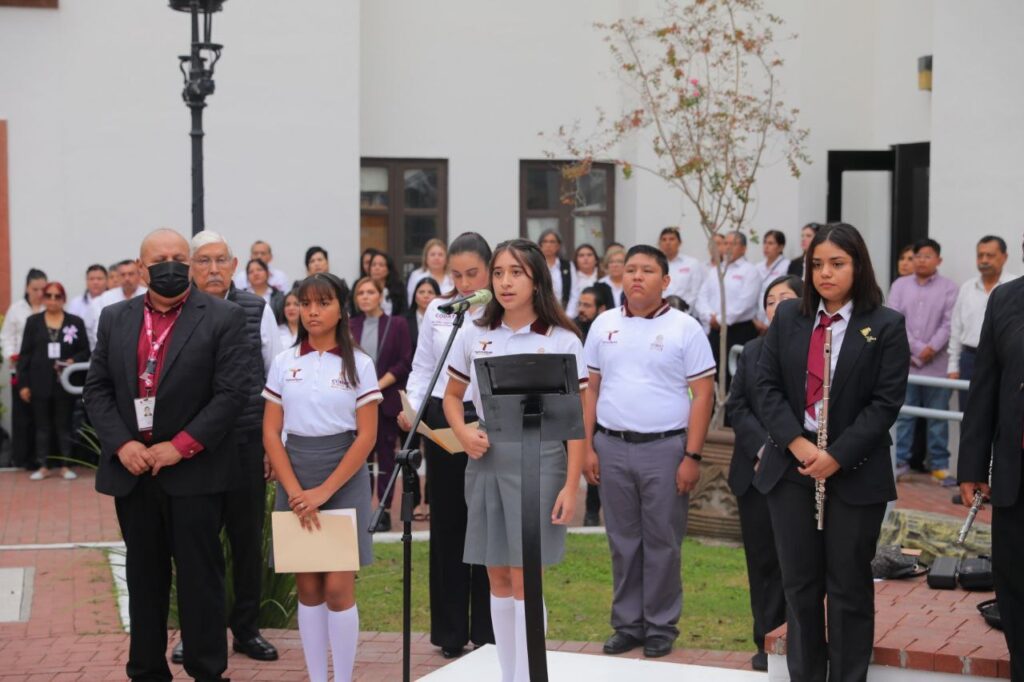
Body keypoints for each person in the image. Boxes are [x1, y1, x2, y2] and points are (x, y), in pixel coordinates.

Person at [84, 228, 250, 682]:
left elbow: (232, 395)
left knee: (201, 580)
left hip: (195, 473)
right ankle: (146, 670)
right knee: (144, 579)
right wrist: (124, 444)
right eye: (161, 259)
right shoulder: (114, 318)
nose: (172, 265)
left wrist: (179, 447)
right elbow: (96, 389)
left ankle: (207, 670)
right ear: (141, 268)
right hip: (134, 473)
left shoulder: (224, 317)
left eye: (181, 256)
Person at [754, 222, 909, 682]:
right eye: (817, 264)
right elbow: (765, 388)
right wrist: (799, 445)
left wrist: (836, 456)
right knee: (800, 587)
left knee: (848, 588)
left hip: (855, 472)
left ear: (857, 266)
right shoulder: (788, 318)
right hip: (792, 468)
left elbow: (885, 404)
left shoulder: (885, 326)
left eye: (837, 264)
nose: (825, 273)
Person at [444, 238, 586, 682]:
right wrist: (465, 432)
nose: (505, 282)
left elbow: (578, 420)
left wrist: (571, 484)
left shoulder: (562, 339)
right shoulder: (474, 333)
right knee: (498, 576)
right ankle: (510, 675)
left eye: (516, 273)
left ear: (537, 279)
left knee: (528, 577)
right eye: (499, 272)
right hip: (486, 460)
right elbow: (451, 397)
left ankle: (531, 675)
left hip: (540, 460)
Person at [583, 244, 715, 660]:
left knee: (662, 541)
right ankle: (627, 624)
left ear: (666, 281)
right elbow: (592, 390)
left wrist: (691, 456)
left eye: (647, 271)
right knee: (622, 541)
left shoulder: (684, 328)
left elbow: (703, 395)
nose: (636, 276)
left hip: (665, 449)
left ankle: (660, 625)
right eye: (630, 269)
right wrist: (587, 447)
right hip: (611, 446)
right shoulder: (603, 324)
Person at [263, 272, 381, 682]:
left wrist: (324, 491)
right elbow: (270, 432)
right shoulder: (284, 362)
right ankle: (317, 677)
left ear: (340, 309)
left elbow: (367, 436)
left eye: (324, 302)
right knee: (309, 588)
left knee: (337, 588)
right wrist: (295, 490)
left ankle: (343, 677)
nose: (313, 311)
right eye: (306, 303)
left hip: (343, 475)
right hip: (295, 471)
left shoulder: (360, 365)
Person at [173, 230, 283, 665]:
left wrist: (271, 447)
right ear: (190, 267)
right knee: (194, 544)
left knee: (245, 541)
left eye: (221, 261)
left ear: (235, 266)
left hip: (243, 444)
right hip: (191, 448)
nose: (214, 269)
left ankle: (247, 630)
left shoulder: (256, 309)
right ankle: (197, 633)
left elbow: (275, 381)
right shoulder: (176, 310)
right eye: (204, 261)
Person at [402, 232, 495, 659]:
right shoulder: (439, 310)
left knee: (489, 524)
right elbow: (423, 367)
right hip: (443, 420)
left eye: (472, 273)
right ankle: (451, 631)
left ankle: (490, 629)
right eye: (455, 274)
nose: (463, 282)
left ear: (490, 269)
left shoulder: (502, 310)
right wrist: (416, 409)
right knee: (449, 525)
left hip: (490, 421)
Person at [724, 274, 802, 671]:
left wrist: (785, 450)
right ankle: (765, 640)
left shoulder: (813, 350)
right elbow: (736, 407)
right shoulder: (751, 351)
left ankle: (798, 640)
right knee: (762, 563)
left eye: (785, 298)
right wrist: (763, 449)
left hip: (800, 472)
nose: (776, 306)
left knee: (797, 563)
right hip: (754, 473)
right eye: (770, 300)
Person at [957, 241, 1024, 682]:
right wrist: (972, 467)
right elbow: (983, 391)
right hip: (1017, 473)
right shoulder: (1005, 299)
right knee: (1015, 582)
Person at [888, 238, 959, 484]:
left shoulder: (949, 288)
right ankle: (900, 462)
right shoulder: (899, 285)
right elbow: (894, 319)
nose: (921, 260)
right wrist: (918, 349)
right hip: (906, 364)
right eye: (917, 255)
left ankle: (939, 465)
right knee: (904, 415)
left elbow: (949, 323)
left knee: (938, 417)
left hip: (937, 365)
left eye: (927, 256)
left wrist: (931, 348)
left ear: (938, 260)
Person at [350, 276, 412, 532]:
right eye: (360, 293)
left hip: (384, 401)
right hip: (356, 403)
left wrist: (377, 385)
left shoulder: (396, 324)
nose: (365, 296)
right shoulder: (350, 326)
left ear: (380, 295)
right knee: (360, 458)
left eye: (369, 292)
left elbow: (404, 361)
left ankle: (384, 510)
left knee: (386, 457)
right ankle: (361, 507)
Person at [18, 282, 90, 480]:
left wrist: (72, 361)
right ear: (43, 298)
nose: (52, 300)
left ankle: (65, 465)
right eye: (48, 296)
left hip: (64, 383)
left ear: (63, 299)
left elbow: (86, 351)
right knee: (42, 426)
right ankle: (43, 465)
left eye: (57, 296)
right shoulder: (33, 322)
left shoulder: (75, 322)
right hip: (38, 382)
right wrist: (23, 384)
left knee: (64, 424)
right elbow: (25, 355)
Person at [948, 236, 1015, 409]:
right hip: (970, 359)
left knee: (1003, 412)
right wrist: (953, 365)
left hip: (1005, 359)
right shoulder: (967, 288)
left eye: (990, 255)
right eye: (980, 255)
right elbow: (956, 328)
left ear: (1004, 257)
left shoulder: (1015, 288)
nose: (984, 260)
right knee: (969, 412)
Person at [694, 231, 761, 382]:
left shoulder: (750, 271)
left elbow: (746, 301)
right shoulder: (715, 270)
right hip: (714, 330)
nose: (728, 247)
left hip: (738, 330)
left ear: (744, 248)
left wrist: (720, 319)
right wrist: (708, 316)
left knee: (736, 375)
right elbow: (701, 297)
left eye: (733, 244)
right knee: (712, 372)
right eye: (726, 243)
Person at [2, 268, 47, 469]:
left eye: (42, 289)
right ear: (27, 288)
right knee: (23, 416)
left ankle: (44, 458)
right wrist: (11, 355)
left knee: (44, 416)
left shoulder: (50, 306)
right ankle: (23, 458)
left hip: (45, 371)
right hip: (22, 369)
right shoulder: (17, 309)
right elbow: (6, 337)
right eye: (35, 289)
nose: (39, 293)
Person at [574, 286, 607, 528]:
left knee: (595, 459)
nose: (581, 311)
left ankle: (592, 512)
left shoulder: (605, 334)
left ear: (601, 309)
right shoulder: (571, 330)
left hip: (597, 405)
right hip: (571, 403)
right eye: (580, 305)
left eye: (587, 306)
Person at [659, 226, 704, 312]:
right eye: (664, 240)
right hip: (660, 312)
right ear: (660, 244)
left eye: (671, 239)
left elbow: (696, 291)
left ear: (679, 243)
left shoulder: (692, 263)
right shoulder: (656, 265)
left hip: (684, 311)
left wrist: (685, 311)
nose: (667, 243)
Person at [754, 230, 791, 332]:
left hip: (774, 321)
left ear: (781, 247)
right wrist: (754, 320)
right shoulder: (757, 267)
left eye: (770, 243)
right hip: (756, 321)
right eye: (765, 242)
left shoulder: (787, 266)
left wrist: (768, 322)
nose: (766, 246)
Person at [66, 264, 108, 349]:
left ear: (106, 280)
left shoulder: (114, 301)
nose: (95, 282)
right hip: (81, 350)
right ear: (86, 281)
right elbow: (70, 330)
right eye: (91, 279)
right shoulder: (76, 303)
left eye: (99, 279)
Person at [407, 239, 452, 306]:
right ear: (426, 258)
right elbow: (411, 301)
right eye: (432, 254)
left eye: (440, 255)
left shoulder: (453, 277)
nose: (436, 258)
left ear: (446, 259)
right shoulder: (417, 276)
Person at [537, 228, 575, 308]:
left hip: (563, 312)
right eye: (545, 241)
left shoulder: (568, 266)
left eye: (552, 242)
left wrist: (567, 316)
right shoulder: (535, 265)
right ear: (540, 245)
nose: (548, 245)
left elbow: (574, 293)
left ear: (558, 246)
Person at [405, 276, 440, 355]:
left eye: (430, 292)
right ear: (415, 297)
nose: (426, 296)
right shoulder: (404, 321)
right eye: (421, 292)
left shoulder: (445, 321)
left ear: (438, 297)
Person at [566, 243, 601, 318]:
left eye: (589, 255)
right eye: (581, 255)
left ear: (596, 260)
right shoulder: (570, 279)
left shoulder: (603, 278)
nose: (585, 258)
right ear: (576, 260)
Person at [246, 258, 285, 323]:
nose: (255, 273)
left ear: (268, 273)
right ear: (247, 277)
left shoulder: (279, 296)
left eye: (259, 270)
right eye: (251, 272)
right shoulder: (241, 296)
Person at [368, 250, 407, 316]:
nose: (376, 268)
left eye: (381, 265)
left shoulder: (398, 288)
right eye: (373, 265)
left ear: (388, 269)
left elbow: (403, 311)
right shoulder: (363, 287)